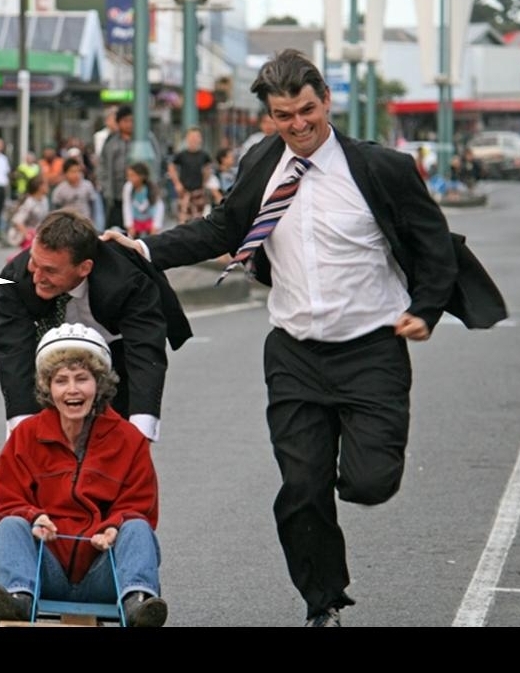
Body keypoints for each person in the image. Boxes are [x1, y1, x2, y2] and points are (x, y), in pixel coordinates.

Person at [101, 49, 506, 627]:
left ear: (326, 102)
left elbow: (433, 244)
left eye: (306, 111)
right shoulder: (264, 163)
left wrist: (425, 309)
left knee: (369, 483)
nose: (297, 125)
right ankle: (324, 604)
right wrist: (143, 248)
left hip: (371, 349)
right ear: (270, 115)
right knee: (300, 489)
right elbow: (222, 227)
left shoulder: (382, 168)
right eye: (284, 115)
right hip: (294, 353)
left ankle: (361, 462)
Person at [0, 322, 167, 627]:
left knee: (138, 528)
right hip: (41, 570)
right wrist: (34, 517)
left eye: (82, 379)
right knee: (10, 524)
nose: (72, 389)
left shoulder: (128, 439)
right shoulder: (26, 435)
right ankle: (16, 599)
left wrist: (112, 527)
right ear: (48, 388)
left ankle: (139, 603)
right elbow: (5, 496)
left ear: (99, 384)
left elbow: (139, 505)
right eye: (61, 381)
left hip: (103, 570)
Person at [0, 208, 192, 443]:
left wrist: (141, 433)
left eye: (50, 270)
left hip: (115, 351)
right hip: (51, 355)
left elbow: (144, 353)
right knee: (41, 444)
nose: (37, 276)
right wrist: (20, 430)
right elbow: (14, 353)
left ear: (84, 268)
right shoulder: (14, 279)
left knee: (116, 444)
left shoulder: (127, 281)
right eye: (34, 262)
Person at [98, 104, 162, 231]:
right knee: (116, 230)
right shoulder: (111, 141)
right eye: (125, 121)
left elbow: (156, 161)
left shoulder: (146, 138)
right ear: (118, 122)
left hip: (140, 196)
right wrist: (105, 187)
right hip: (116, 195)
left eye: (132, 120)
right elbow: (102, 165)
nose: (129, 124)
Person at [167, 126, 213, 224]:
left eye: (197, 137)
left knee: (199, 221)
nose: (194, 139)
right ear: (187, 138)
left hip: (198, 192)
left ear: (200, 139)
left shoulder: (204, 155)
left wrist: (204, 183)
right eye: (191, 137)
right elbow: (171, 167)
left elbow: (208, 169)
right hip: (185, 192)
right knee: (183, 221)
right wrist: (177, 184)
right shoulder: (181, 155)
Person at [8, 174, 50, 254]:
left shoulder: (45, 200)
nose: (48, 186)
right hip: (29, 237)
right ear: (40, 187)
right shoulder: (29, 202)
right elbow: (18, 221)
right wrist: (28, 235)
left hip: (39, 234)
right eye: (45, 184)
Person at [122, 161, 164, 239]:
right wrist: (129, 225)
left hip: (149, 222)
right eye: (128, 176)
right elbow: (126, 206)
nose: (130, 178)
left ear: (141, 176)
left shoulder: (151, 188)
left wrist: (155, 226)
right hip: (135, 223)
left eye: (133, 175)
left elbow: (159, 207)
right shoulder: (128, 188)